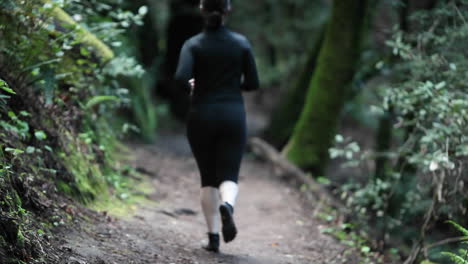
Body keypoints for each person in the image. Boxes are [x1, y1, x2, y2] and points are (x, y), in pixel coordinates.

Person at [174, 0, 260, 253]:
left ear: (201, 10)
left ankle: (213, 238)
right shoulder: (241, 44)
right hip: (233, 114)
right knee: (229, 173)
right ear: (228, 11)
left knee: (208, 178)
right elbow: (253, 83)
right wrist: (234, 87)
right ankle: (228, 206)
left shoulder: (193, 45)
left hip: (201, 114)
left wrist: (193, 87)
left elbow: (180, 77)